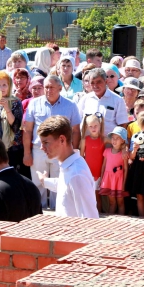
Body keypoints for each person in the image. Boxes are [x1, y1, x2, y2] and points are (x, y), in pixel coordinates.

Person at [23, 75, 82, 210]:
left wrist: (74, 151)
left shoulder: (71, 105)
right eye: (46, 87)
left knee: (59, 183)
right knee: (38, 183)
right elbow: (27, 130)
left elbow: (76, 131)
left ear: (60, 88)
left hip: (60, 151)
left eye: (51, 87)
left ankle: (58, 211)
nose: (48, 90)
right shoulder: (34, 103)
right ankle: (38, 211)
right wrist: (27, 153)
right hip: (39, 149)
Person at [35, 115, 98, 218]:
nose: (42, 148)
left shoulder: (77, 174)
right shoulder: (70, 167)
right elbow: (65, 186)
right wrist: (45, 181)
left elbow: (90, 219)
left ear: (62, 140)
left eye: (45, 142)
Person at [78, 68, 129, 134]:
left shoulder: (117, 100)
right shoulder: (85, 99)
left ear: (106, 81)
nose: (95, 86)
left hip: (109, 143)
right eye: (92, 83)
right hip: (87, 142)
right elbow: (77, 122)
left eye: (98, 82)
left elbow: (122, 125)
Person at [80, 113, 107, 213]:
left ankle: (98, 215)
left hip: (99, 173)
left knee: (97, 196)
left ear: (100, 125)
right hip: (88, 173)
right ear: (87, 127)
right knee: (87, 196)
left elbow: (118, 142)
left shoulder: (103, 139)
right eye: (91, 126)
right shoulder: (84, 140)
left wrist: (125, 148)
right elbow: (81, 157)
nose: (93, 128)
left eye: (95, 126)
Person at [100, 126, 129, 215]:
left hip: (119, 181)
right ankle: (111, 220)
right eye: (113, 138)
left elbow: (125, 168)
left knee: (121, 203)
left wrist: (124, 183)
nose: (114, 140)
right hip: (108, 180)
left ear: (122, 141)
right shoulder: (107, 151)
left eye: (117, 138)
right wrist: (102, 179)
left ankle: (121, 221)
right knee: (112, 203)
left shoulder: (123, 154)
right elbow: (104, 166)